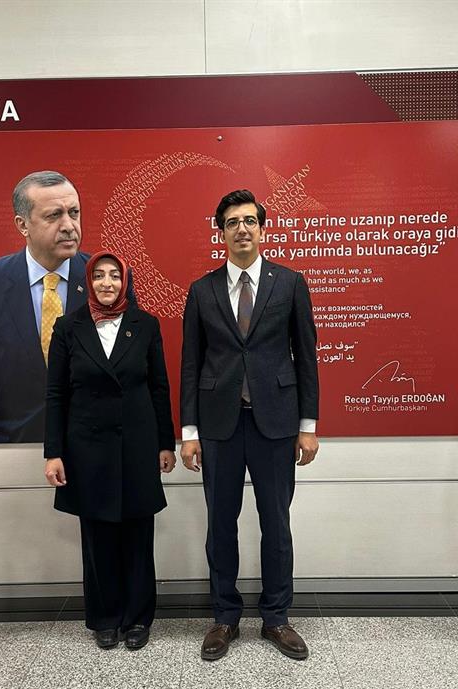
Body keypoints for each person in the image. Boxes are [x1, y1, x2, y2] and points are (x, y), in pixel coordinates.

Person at [180, 189, 320, 661]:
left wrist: (307, 424)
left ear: (261, 229)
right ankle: (224, 616)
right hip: (219, 426)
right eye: (231, 222)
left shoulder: (290, 283)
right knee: (220, 525)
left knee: (276, 524)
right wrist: (189, 433)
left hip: (276, 424)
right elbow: (191, 364)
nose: (241, 229)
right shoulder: (202, 290)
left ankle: (277, 618)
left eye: (249, 221)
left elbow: (306, 358)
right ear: (220, 232)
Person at [0, 170, 135, 444]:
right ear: (23, 225)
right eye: (54, 215)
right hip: (16, 448)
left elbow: (136, 372)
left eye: (74, 213)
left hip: (97, 448)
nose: (68, 226)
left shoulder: (111, 280)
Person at [44, 251, 176, 650]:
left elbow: (159, 388)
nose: (107, 283)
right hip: (87, 448)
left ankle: (137, 619)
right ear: (88, 281)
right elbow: (56, 393)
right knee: (98, 537)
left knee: (138, 536)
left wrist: (165, 443)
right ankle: (104, 618)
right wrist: (53, 452)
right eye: (99, 275)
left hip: (138, 445)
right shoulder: (68, 327)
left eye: (114, 276)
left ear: (125, 282)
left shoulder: (145, 325)